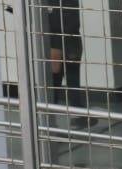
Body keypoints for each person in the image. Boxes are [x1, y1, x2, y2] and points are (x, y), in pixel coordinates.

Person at [45, 0, 91, 130]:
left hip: (63, 43)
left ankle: (51, 120)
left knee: (57, 83)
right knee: (69, 82)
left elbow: (59, 23)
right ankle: (78, 116)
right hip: (70, 43)